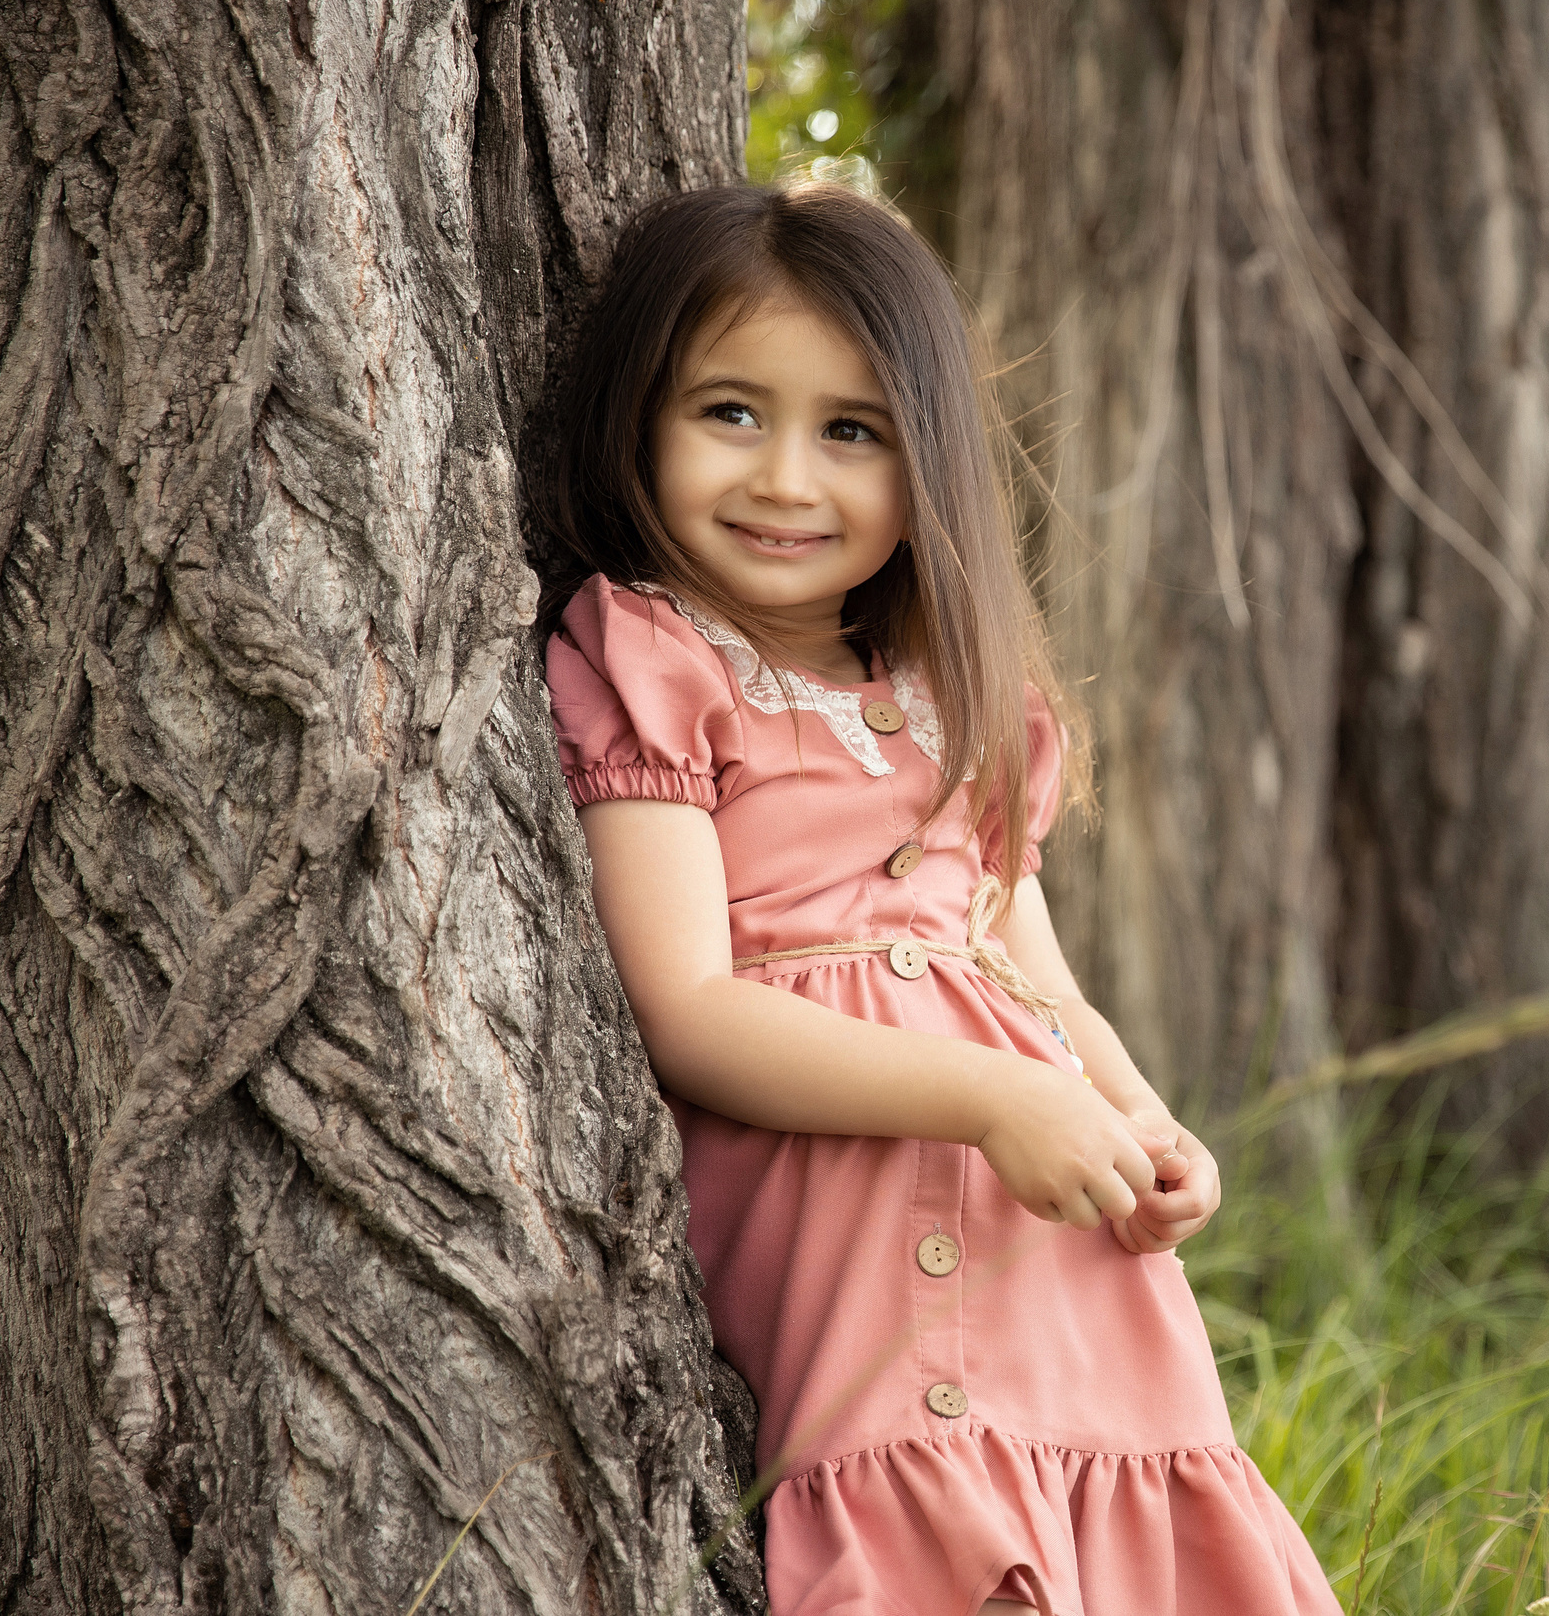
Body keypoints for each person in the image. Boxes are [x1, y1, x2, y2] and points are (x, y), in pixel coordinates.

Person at [534, 179, 1342, 1616]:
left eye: (853, 432)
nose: (789, 478)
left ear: (930, 470)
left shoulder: (961, 701)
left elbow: (1038, 983)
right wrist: (990, 1101)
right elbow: (690, 1011)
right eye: (732, 412)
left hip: (1055, 1252)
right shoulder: (658, 660)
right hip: (863, 1244)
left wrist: (1142, 1122)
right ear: (638, 419)